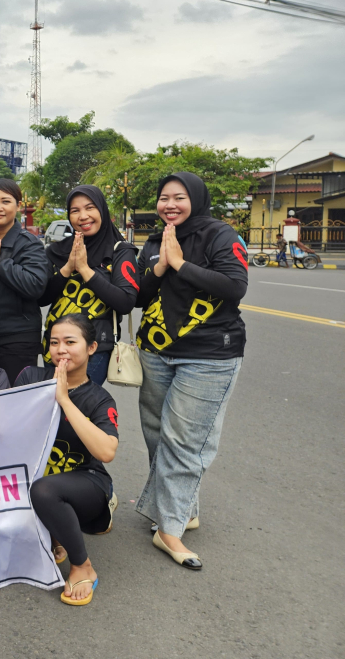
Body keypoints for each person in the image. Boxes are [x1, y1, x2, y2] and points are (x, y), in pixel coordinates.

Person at [135, 172, 248, 570]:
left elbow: (234, 287)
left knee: (185, 440)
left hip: (208, 355)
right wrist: (161, 267)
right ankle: (185, 508)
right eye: (164, 197)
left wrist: (180, 263)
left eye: (179, 197)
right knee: (156, 433)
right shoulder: (154, 240)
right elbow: (140, 297)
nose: (169, 205)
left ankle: (169, 529)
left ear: (195, 199)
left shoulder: (220, 235)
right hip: (155, 351)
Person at [17, 314, 119, 607]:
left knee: (45, 490)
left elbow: (106, 452)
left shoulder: (100, 399)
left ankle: (82, 565)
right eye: (54, 342)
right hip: (33, 475)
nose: (61, 349)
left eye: (70, 342)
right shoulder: (30, 378)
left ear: (91, 348)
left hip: (84, 484)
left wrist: (63, 399)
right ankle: (53, 533)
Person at [42, 185, 139, 384]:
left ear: (102, 210)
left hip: (94, 349)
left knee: (81, 409)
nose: (83, 216)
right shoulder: (57, 251)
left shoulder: (120, 251)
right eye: (75, 211)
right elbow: (42, 298)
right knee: (55, 411)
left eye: (90, 208)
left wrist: (85, 269)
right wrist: (68, 267)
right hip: (54, 346)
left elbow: (125, 302)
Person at [0, 177, 50, 383]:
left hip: (16, 343)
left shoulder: (29, 245)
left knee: (15, 405)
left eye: (5, 201)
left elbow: (34, 286)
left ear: (18, 206)